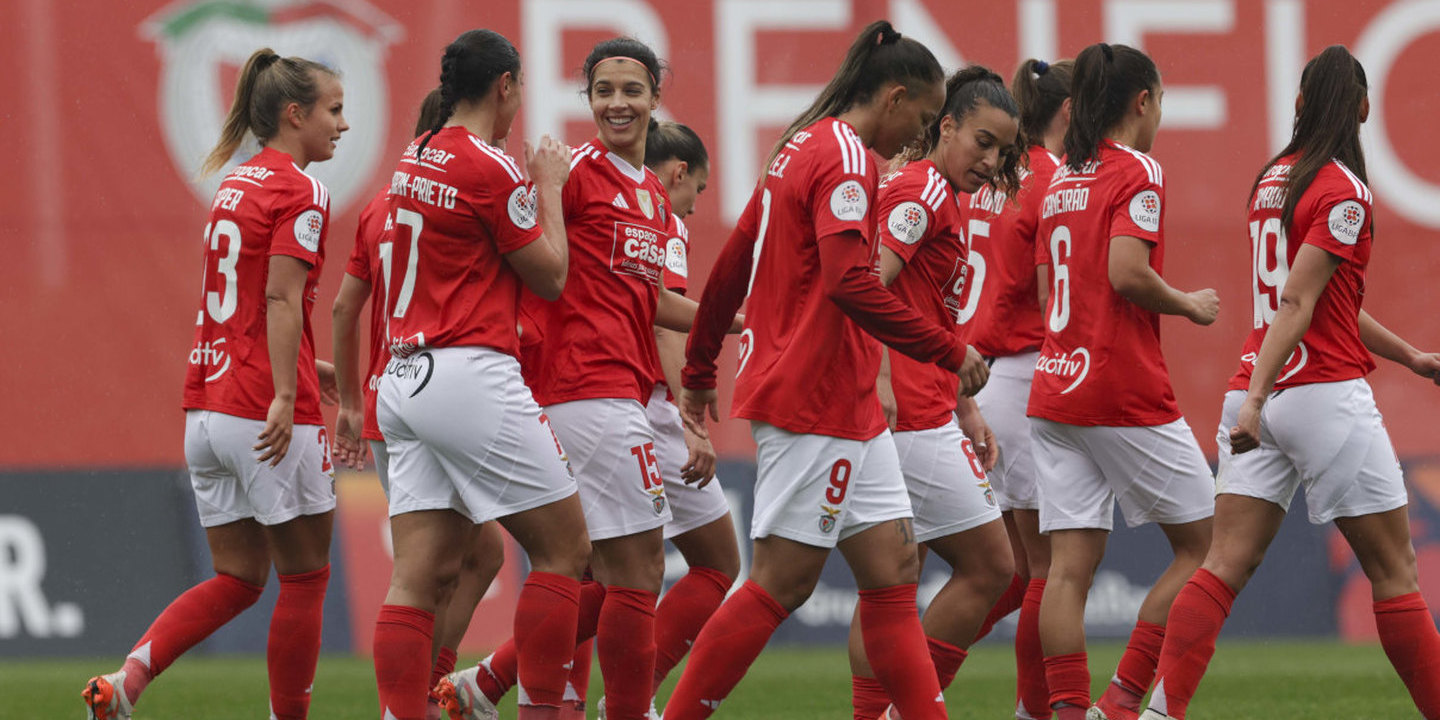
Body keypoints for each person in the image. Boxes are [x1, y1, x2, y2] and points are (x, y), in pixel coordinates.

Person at [669, 20, 992, 720]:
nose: (923, 134)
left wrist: (700, 365)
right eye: (926, 117)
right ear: (897, 97)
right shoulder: (845, 158)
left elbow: (735, 260)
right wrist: (947, 348)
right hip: (811, 394)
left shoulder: (800, 147)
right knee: (782, 584)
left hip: (846, 400)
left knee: (892, 575)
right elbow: (851, 282)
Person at [1141, 45, 1440, 720]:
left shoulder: (1272, 180)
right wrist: (1256, 402)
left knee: (1223, 564)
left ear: (1300, 105)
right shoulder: (1344, 190)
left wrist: (1409, 357)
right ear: (1364, 108)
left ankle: (1160, 711)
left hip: (1258, 385)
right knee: (1396, 572)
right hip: (1316, 394)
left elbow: (1321, 298)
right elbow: (1299, 307)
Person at [82, 48, 347, 720]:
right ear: (295, 114)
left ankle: (126, 682)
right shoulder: (302, 189)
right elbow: (283, 301)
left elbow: (241, 305)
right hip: (263, 411)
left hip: (207, 409)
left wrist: (305, 366)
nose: (344, 125)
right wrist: (288, 395)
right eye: (334, 110)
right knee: (308, 577)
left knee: (237, 577)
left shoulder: (235, 185)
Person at [444, 36, 702, 720]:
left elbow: (645, 296)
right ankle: (613, 709)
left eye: (631, 90)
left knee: (601, 569)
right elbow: (539, 268)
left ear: (655, 98)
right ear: (588, 100)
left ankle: (518, 695)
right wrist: (549, 191)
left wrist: (729, 319)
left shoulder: (650, 192)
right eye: (604, 91)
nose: (618, 103)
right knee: (637, 569)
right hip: (581, 387)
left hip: (614, 388)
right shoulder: (574, 173)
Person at [369, 29, 591, 720]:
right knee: (569, 550)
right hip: (466, 371)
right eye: (519, 90)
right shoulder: (488, 166)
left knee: (419, 574)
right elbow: (551, 277)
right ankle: (540, 710)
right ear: (505, 86)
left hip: (402, 379)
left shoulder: (417, 153)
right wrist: (549, 186)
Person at [1026, 43, 1217, 720]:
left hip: (1054, 386)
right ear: (1142, 102)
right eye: (1160, 102)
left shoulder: (1062, 177)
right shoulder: (1137, 170)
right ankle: (1124, 698)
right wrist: (1190, 303)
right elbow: (1126, 273)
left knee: (1068, 569)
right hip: (1118, 385)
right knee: (1210, 548)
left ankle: (1073, 714)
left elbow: (1049, 284)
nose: (1160, 115)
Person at [849, 65, 1022, 720]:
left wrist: (967, 404)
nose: (989, 160)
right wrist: (887, 379)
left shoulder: (936, 194)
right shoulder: (921, 194)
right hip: (908, 415)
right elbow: (867, 286)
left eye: (1000, 151)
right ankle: (910, 709)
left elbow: (928, 311)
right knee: (991, 566)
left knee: (890, 588)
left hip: (927, 405)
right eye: (981, 142)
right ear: (944, 126)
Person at [330, 87, 507, 720]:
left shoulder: (382, 205)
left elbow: (345, 306)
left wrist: (351, 397)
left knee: (474, 554)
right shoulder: (463, 198)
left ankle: (424, 692)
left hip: (390, 400)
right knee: (429, 568)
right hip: (439, 391)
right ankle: (414, 700)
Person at [959, 56, 1074, 720]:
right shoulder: (1054, 179)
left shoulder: (998, 176)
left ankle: (909, 671)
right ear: (1067, 112)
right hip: (1024, 372)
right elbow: (1046, 288)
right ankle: (1035, 710)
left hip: (980, 375)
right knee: (1043, 569)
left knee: (1005, 569)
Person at [640, 120, 740, 700]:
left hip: (580, 397)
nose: (695, 208)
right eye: (698, 191)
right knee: (717, 563)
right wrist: (689, 417)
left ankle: (547, 695)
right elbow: (663, 320)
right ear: (678, 172)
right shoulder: (662, 217)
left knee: (591, 571)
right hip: (647, 406)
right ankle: (636, 694)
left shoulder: (610, 204)